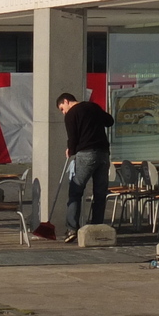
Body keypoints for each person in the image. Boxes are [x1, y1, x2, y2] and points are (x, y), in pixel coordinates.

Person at [57, 91, 113, 242]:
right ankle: (96, 227)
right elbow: (109, 121)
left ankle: (72, 229)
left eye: (62, 108)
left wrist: (71, 149)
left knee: (76, 191)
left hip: (86, 153)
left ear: (67, 101)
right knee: (100, 193)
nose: (64, 112)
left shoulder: (71, 114)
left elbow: (73, 137)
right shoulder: (93, 107)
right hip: (103, 153)